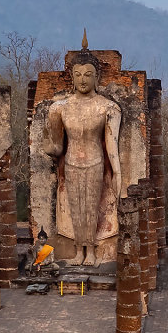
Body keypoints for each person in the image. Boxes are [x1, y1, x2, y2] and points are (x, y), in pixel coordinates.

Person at [43, 43, 122, 266]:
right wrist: (48, 144)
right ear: (72, 78)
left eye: (88, 74)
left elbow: (111, 145)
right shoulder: (60, 108)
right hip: (71, 163)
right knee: (76, 209)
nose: (83, 79)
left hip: (95, 161)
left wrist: (117, 172)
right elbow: (57, 147)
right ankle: (79, 250)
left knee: (91, 208)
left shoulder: (108, 107)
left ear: (97, 77)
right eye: (78, 75)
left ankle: (93, 252)